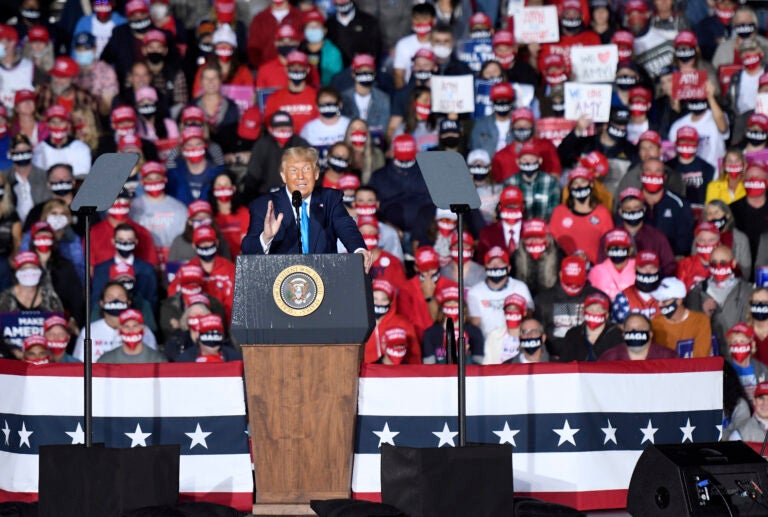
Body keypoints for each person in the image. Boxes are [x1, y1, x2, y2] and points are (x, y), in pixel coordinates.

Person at [241, 147, 370, 270]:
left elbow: (346, 227)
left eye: (307, 169)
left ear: (316, 174)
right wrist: (266, 238)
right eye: (293, 170)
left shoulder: (330, 199)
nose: (300, 176)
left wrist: (359, 250)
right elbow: (248, 248)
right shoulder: (264, 205)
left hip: (326, 278)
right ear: (283, 176)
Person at [686, 245, 752, 359]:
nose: (718, 266)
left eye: (723, 262)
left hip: (739, 357)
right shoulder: (696, 292)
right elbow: (690, 332)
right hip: (709, 358)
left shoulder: (747, 291)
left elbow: (751, 327)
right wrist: (703, 314)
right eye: (713, 262)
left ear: (734, 263)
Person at [534, 255, 607, 352]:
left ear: (585, 276)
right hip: (555, 355)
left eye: (577, 282)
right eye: (569, 282)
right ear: (560, 274)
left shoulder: (599, 297)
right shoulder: (543, 300)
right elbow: (538, 332)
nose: (573, 286)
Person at [549, 167, 614, 265]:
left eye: (583, 181)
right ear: (570, 187)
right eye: (575, 183)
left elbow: (609, 243)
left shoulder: (602, 213)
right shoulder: (560, 212)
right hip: (564, 267)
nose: (579, 186)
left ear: (591, 184)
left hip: (595, 269)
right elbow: (552, 242)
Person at [467, 246, 533, 338]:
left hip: (516, 342)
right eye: (491, 263)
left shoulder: (520, 287)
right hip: (486, 343)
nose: (496, 266)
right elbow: (475, 325)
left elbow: (529, 318)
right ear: (485, 267)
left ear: (509, 268)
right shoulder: (475, 292)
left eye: (500, 263)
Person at [91, 223, 158, 313]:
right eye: (120, 240)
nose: (125, 243)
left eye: (129, 240)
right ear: (113, 241)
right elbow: (95, 300)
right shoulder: (101, 269)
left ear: (136, 242)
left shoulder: (147, 269)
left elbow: (152, 300)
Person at [651, 277, 712, 358]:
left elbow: (701, 358)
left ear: (679, 300)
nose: (659, 304)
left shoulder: (700, 321)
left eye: (664, 300)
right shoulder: (654, 323)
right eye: (657, 300)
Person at [422, 285, 484, 364]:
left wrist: (465, 357)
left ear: (463, 307)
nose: (452, 305)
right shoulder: (431, 333)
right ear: (442, 307)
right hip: (441, 375)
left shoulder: (474, 332)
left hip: (467, 374)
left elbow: (479, 366)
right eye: (448, 302)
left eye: (456, 302)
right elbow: (428, 367)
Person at [363, 279, 421, 364]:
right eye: (374, 298)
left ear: (391, 302)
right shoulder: (360, 326)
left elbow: (414, 355)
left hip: (397, 374)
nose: (379, 303)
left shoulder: (403, 323)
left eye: (384, 299)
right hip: (367, 375)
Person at [555, 292, 624, 362]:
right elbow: (564, 363)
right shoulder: (573, 334)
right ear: (583, 311)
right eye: (590, 309)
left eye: (599, 310)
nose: (594, 312)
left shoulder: (616, 335)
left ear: (607, 315)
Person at [513, 218, 562, 298]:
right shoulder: (514, 258)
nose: (534, 241)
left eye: (539, 237)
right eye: (529, 238)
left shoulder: (559, 256)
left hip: (551, 303)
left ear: (548, 238)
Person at [98, 308, 167, 364]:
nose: (131, 330)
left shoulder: (158, 360)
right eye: (126, 326)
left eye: (135, 326)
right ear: (119, 330)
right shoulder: (106, 361)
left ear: (143, 329)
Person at [599, 313, 678, 360]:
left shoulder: (668, 357)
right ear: (623, 335)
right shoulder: (609, 357)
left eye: (640, 328)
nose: (635, 331)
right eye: (630, 328)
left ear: (650, 334)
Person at [612, 250, 662, 323]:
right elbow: (619, 328)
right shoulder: (624, 296)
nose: (648, 271)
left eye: (652, 267)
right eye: (643, 267)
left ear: (658, 269)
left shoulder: (668, 294)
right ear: (635, 269)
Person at [176, 313, 241, 363]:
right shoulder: (185, 359)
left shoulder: (236, 358)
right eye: (207, 332)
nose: (212, 336)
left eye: (216, 332)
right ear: (198, 335)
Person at [482, 293, 527, 364]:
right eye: (508, 308)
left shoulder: (530, 335)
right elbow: (487, 363)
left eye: (516, 309)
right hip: (498, 373)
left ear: (524, 312)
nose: (512, 312)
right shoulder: (493, 335)